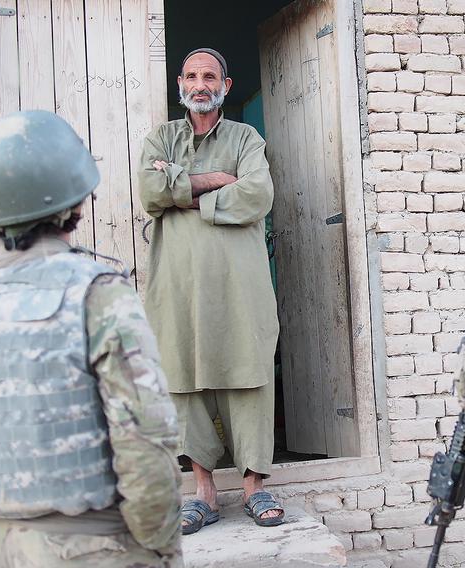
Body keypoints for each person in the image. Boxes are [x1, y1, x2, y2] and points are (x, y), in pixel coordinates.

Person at [0, 110, 182, 567]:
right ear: (75, 202)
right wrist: (158, 547)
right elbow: (145, 441)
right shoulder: (98, 294)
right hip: (93, 550)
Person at [137, 47, 283, 534]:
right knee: (184, 376)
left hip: (239, 284)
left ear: (225, 84)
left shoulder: (246, 137)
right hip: (176, 286)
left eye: (210, 77)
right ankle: (202, 492)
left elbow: (257, 194)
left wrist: (183, 193)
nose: (201, 84)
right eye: (193, 76)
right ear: (181, 82)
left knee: (249, 370)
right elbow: (149, 193)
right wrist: (216, 181)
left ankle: (254, 488)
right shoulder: (162, 137)